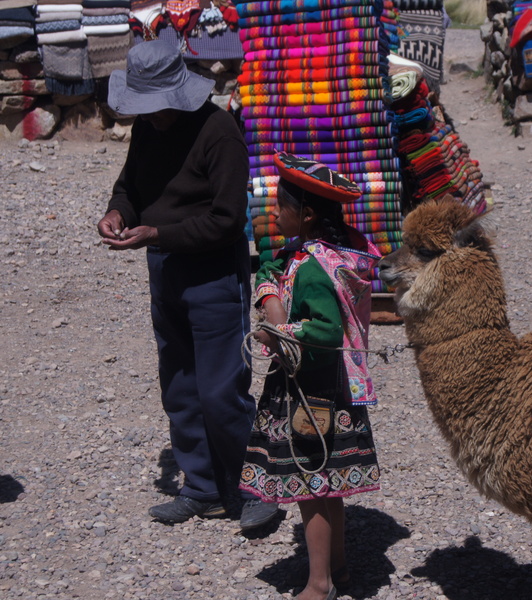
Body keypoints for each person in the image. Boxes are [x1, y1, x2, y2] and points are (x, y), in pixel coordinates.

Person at [97, 40, 277, 526]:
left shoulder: (219, 132)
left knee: (222, 390)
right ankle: (202, 487)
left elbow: (227, 219)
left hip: (213, 273)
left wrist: (159, 232)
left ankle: (257, 487)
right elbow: (129, 186)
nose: (150, 116)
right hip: (165, 268)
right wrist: (119, 212)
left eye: (156, 108)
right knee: (179, 384)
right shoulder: (148, 130)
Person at [239, 152, 382, 600]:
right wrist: (270, 289)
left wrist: (278, 331)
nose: (271, 213)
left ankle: (319, 585)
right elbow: (271, 270)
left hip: (312, 392)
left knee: (311, 486)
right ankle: (337, 569)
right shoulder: (308, 256)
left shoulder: (315, 269)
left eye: (279, 206)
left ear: (305, 214)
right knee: (327, 486)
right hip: (327, 387)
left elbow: (324, 329)